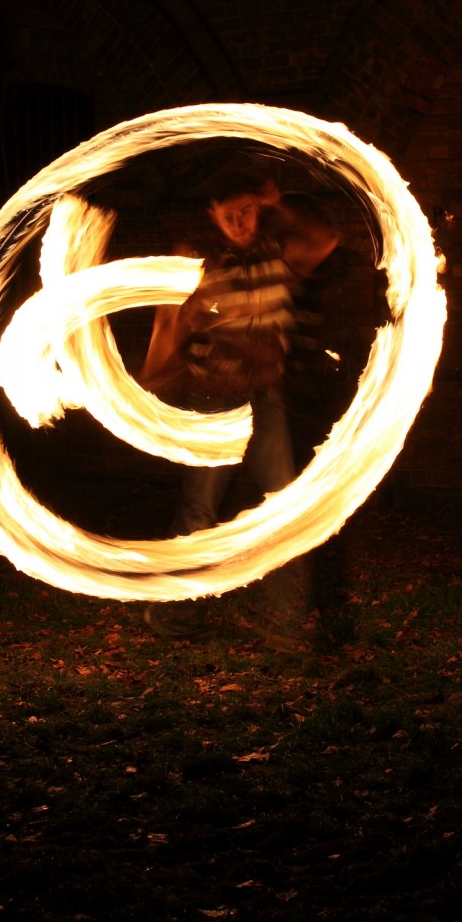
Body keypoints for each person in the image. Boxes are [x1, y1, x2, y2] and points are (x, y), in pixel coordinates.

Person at [142, 173, 340, 641]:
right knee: (199, 513)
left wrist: (279, 204)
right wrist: (173, 312)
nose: (239, 223)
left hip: (266, 400)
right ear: (212, 216)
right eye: (228, 216)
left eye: (247, 211)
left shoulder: (279, 257)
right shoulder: (202, 270)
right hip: (214, 402)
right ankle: (173, 613)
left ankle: (287, 624)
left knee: (285, 509)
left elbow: (326, 237)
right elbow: (158, 363)